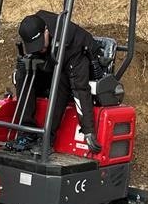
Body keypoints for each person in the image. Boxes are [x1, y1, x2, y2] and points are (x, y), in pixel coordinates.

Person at [8, 10, 101, 153]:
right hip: (53, 64)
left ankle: (47, 138)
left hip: (79, 69)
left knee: (61, 78)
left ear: (46, 31)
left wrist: (89, 130)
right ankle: (27, 132)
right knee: (23, 73)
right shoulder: (35, 26)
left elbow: (80, 88)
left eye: (40, 44)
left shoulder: (72, 43)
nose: (40, 49)